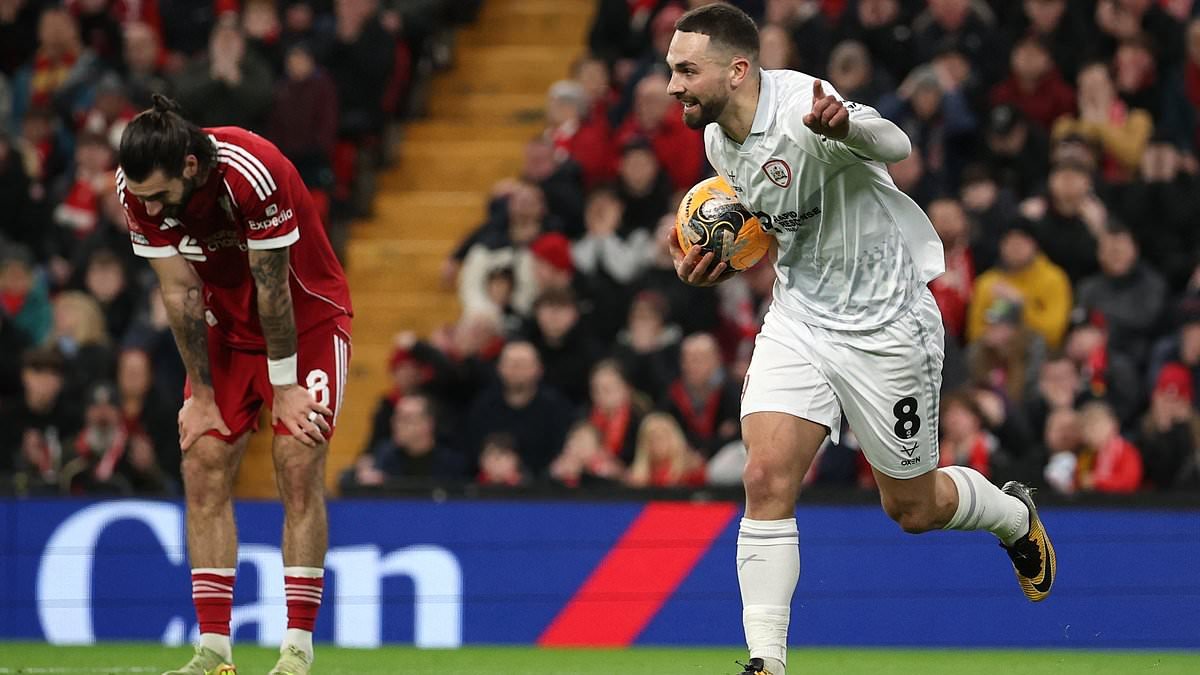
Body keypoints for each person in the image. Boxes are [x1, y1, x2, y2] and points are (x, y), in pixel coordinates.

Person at [663, 6, 1055, 674]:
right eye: (672, 69)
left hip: (886, 327)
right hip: (802, 318)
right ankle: (766, 660)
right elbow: (767, 223)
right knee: (763, 474)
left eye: (685, 70)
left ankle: (1013, 516)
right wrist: (710, 256)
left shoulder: (804, 109)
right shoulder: (717, 142)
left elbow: (895, 142)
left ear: (737, 70)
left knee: (913, 507)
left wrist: (847, 125)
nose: (673, 85)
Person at [116, 95, 352, 675]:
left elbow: (273, 288)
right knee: (203, 461)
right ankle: (212, 650)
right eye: (140, 194)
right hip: (225, 325)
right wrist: (200, 394)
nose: (146, 205)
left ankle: (296, 651)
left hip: (307, 318)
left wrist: (287, 386)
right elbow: (179, 291)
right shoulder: (134, 186)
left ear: (190, 167)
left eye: (157, 194)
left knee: (297, 460)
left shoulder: (253, 168)